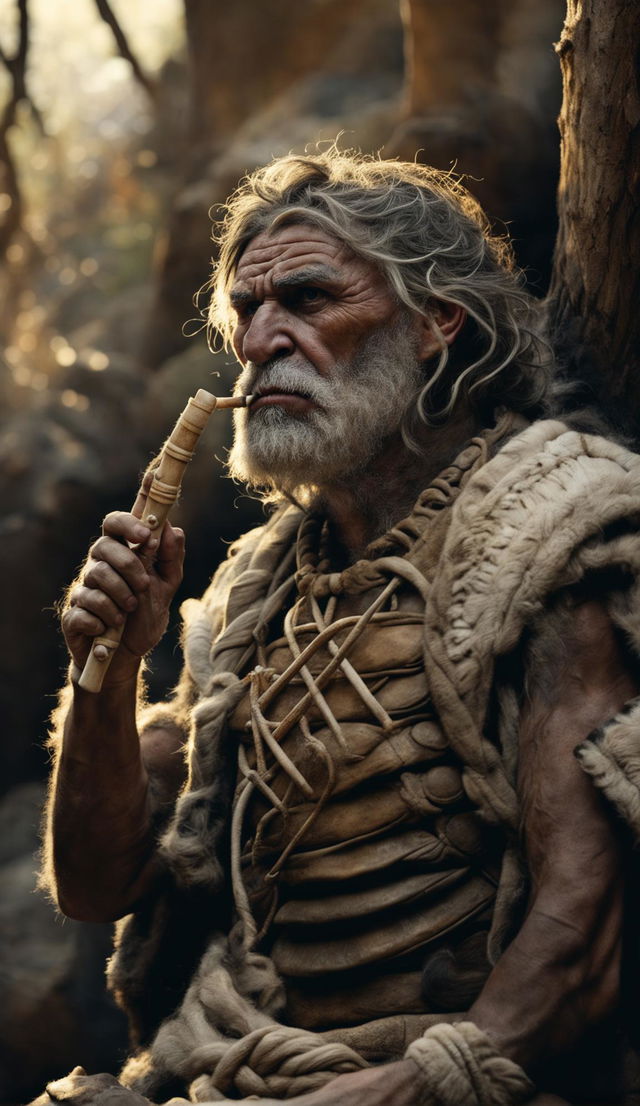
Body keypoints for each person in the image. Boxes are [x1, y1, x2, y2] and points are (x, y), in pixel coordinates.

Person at [42, 150, 640, 1106]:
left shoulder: (551, 526)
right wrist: (106, 675)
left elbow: (584, 918)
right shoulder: (249, 594)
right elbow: (92, 888)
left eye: (310, 300)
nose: (258, 342)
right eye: (247, 311)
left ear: (437, 321)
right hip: (237, 1066)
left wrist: (418, 1083)